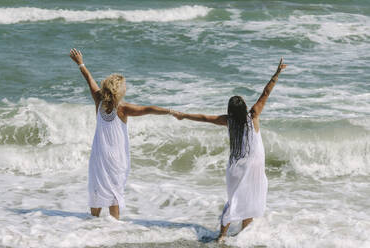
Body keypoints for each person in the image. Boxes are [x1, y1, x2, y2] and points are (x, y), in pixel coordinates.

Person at [173, 59, 287, 241]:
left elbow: (204, 117)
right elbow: (266, 93)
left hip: (235, 168)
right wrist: (277, 73)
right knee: (248, 200)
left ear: (231, 111)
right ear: (244, 108)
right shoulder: (253, 115)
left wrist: (184, 115)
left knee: (235, 201)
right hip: (254, 168)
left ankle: (223, 235)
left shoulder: (228, 121)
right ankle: (240, 236)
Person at [70, 48, 175, 219]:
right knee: (114, 193)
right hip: (116, 158)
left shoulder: (99, 100)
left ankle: (91, 225)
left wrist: (81, 63)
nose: (126, 88)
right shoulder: (123, 109)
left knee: (97, 190)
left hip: (99, 156)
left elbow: (89, 80)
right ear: (118, 90)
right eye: (124, 86)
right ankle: (114, 228)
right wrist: (170, 111)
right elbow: (148, 109)